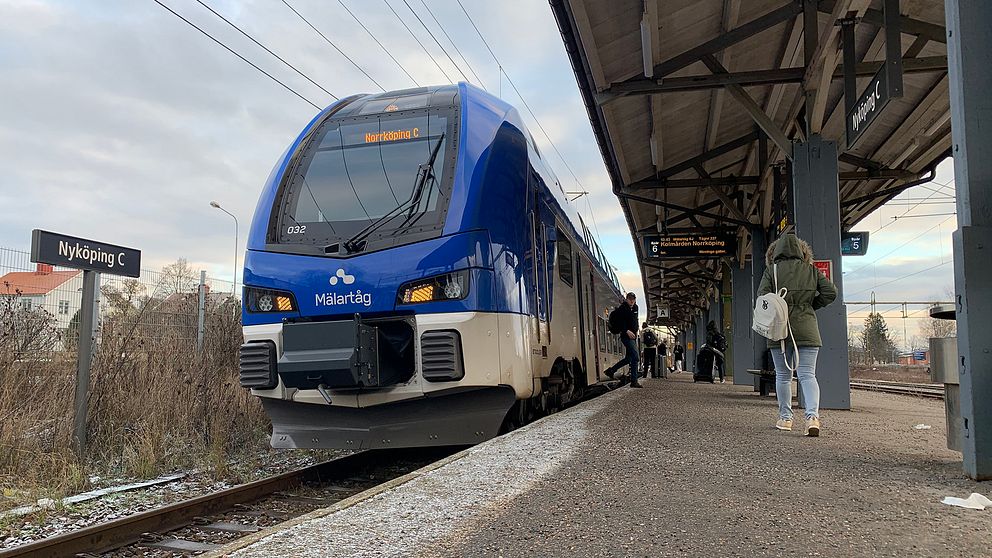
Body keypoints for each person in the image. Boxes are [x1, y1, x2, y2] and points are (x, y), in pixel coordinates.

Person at [757, 233, 837, 437]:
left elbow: (762, 298)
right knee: (808, 375)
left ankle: (785, 418)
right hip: (807, 328)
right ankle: (812, 417)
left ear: (775, 252)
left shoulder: (771, 270)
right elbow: (831, 293)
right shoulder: (811, 270)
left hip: (779, 330)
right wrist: (809, 306)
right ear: (802, 252)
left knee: (783, 376)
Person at [604, 292, 642, 387]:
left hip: (633, 337)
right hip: (626, 337)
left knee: (628, 359)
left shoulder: (636, 308)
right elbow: (620, 323)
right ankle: (634, 381)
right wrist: (626, 331)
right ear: (626, 299)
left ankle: (611, 370)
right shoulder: (622, 309)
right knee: (635, 357)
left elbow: (635, 321)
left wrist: (635, 332)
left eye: (633, 299)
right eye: (630, 299)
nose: (632, 300)